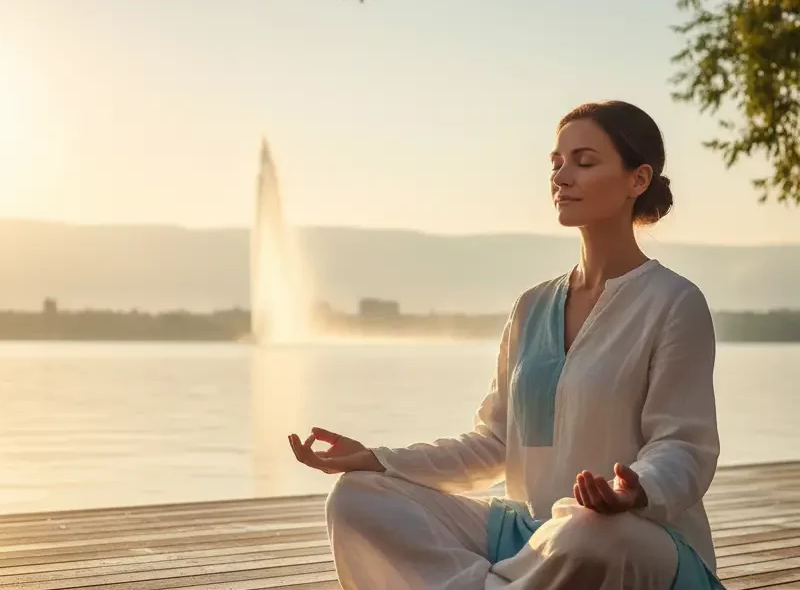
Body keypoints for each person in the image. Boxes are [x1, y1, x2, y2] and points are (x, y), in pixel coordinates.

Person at [288, 101, 724, 590]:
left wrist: (634, 490)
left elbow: (684, 446)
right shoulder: (532, 306)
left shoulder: (673, 301)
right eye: (555, 163)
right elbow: (494, 443)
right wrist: (379, 458)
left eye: (584, 161)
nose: (562, 176)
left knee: (591, 532)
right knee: (357, 498)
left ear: (637, 179)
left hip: (633, 538)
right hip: (530, 538)